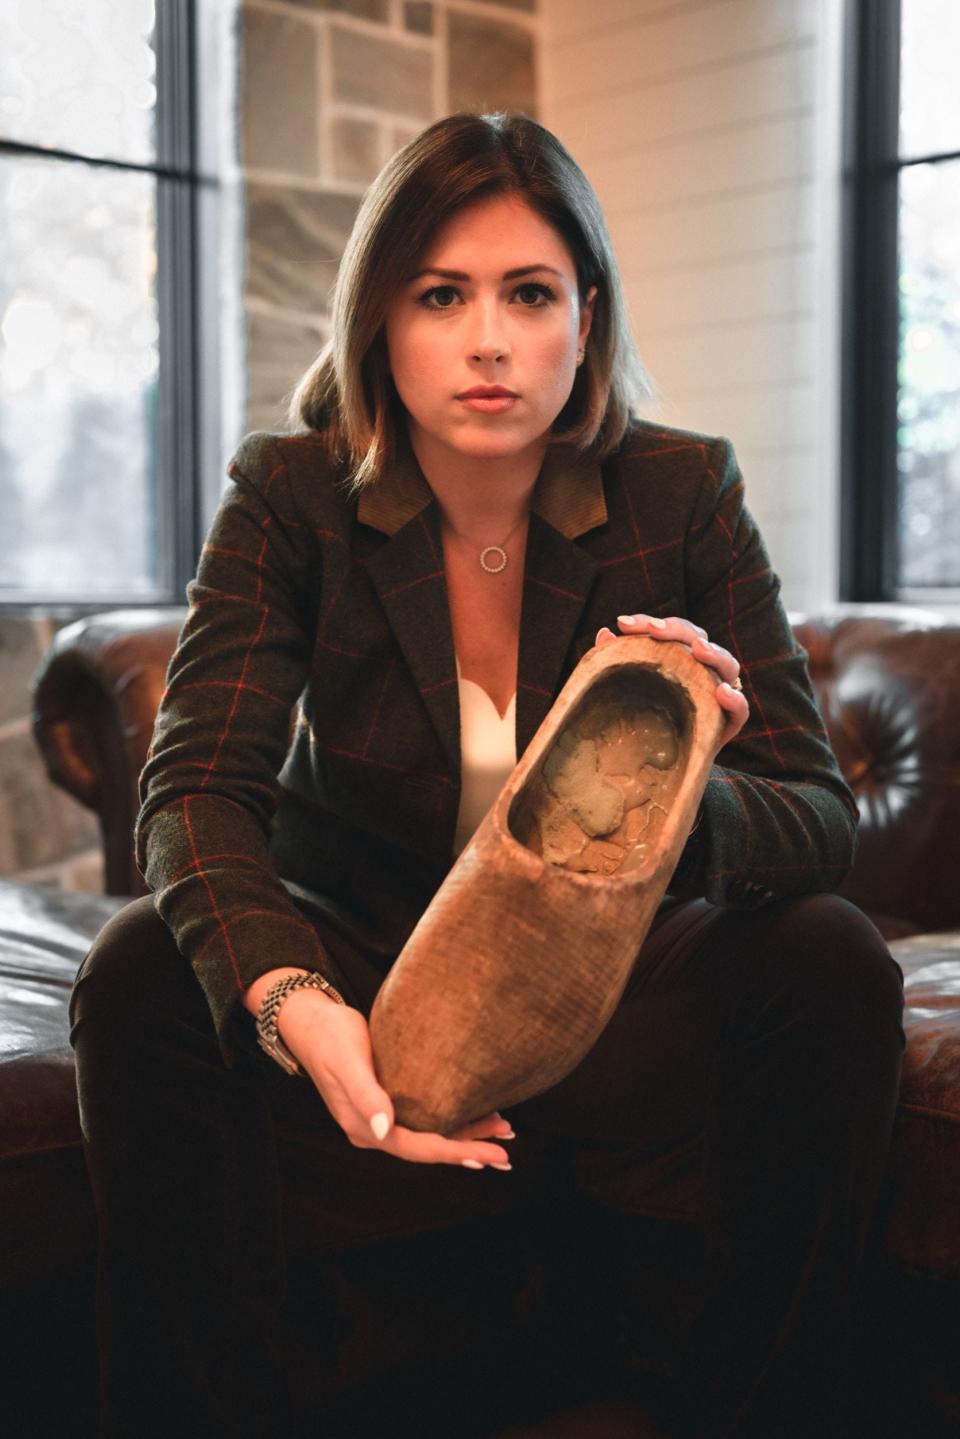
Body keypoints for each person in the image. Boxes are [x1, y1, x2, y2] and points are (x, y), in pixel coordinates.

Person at [70, 111, 905, 1438]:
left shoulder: (681, 493)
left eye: (530, 294)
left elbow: (816, 822)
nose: (489, 340)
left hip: (610, 984)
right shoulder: (291, 493)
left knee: (833, 957)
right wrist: (291, 999)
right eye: (440, 294)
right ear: (378, 319)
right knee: (136, 970)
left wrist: (677, 778)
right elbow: (199, 788)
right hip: (373, 954)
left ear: (587, 316)